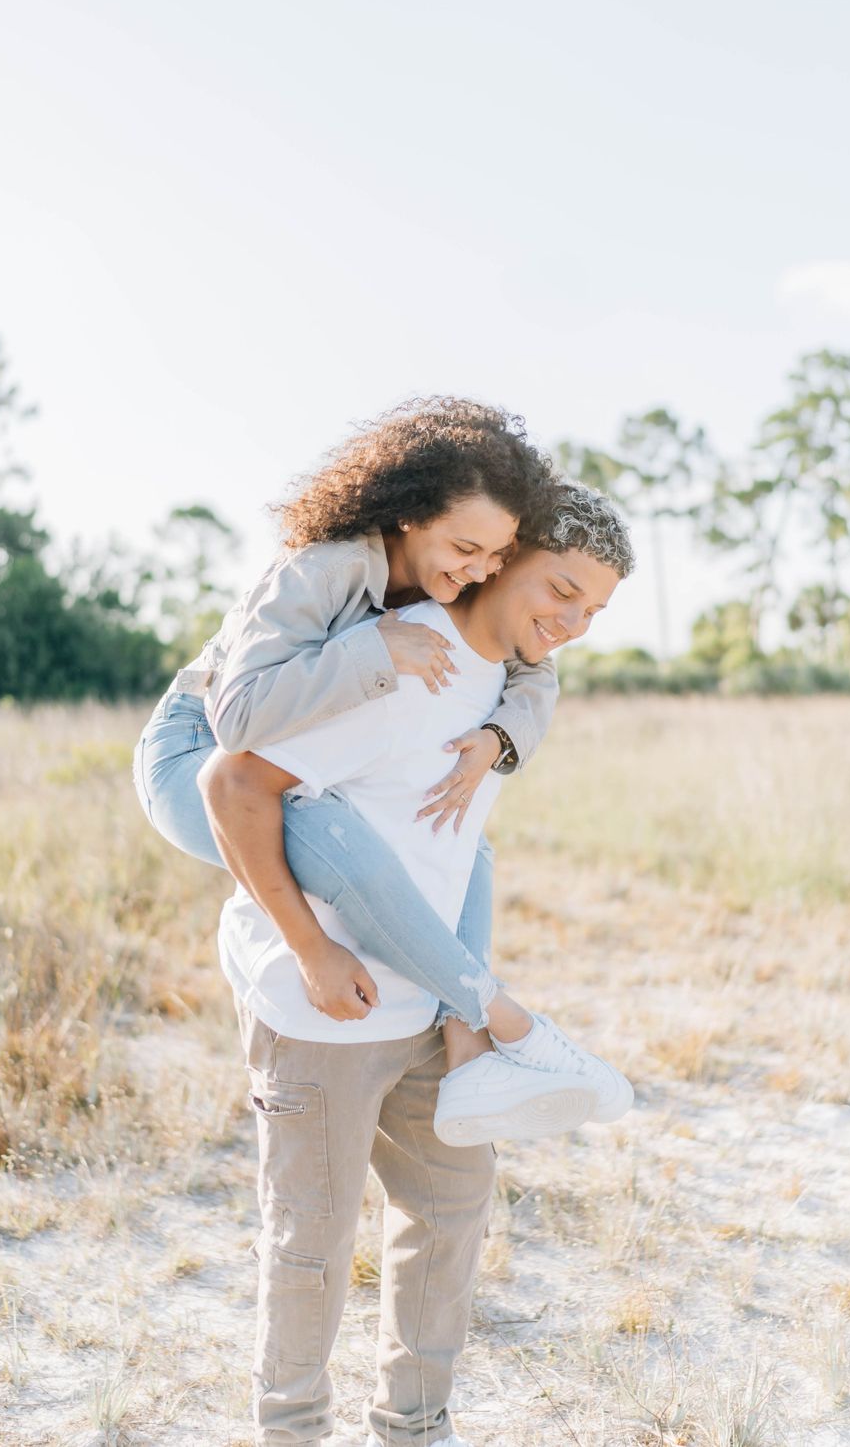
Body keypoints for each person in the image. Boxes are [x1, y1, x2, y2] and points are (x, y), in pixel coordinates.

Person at [209, 484, 634, 1445]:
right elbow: (233, 783)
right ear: (503, 558)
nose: (572, 624)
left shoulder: (505, 685)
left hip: (431, 1013)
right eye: (561, 591)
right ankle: (291, 1431)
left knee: (450, 1213)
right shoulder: (403, 663)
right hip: (326, 1012)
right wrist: (309, 948)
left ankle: (414, 1427)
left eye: (595, 611)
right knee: (313, 1241)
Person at [133, 398, 560, 1064]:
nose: (481, 571)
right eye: (466, 549)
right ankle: (500, 1023)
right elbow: (236, 721)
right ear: (411, 513)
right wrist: (373, 653)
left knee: (467, 845)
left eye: (496, 555)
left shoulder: (454, 572)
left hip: (292, 757)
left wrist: (501, 738)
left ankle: (461, 1039)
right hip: (195, 750)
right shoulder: (322, 569)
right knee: (349, 847)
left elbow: (534, 667)